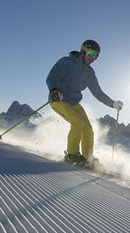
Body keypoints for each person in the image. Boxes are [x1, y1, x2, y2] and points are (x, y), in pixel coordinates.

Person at [46, 39, 123, 167]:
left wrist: (112, 103)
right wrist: (54, 90)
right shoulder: (66, 62)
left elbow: (98, 93)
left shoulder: (90, 74)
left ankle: (88, 158)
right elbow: (52, 77)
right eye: (91, 54)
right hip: (58, 99)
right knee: (77, 121)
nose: (93, 59)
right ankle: (71, 154)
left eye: (96, 56)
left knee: (87, 128)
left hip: (74, 102)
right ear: (83, 51)